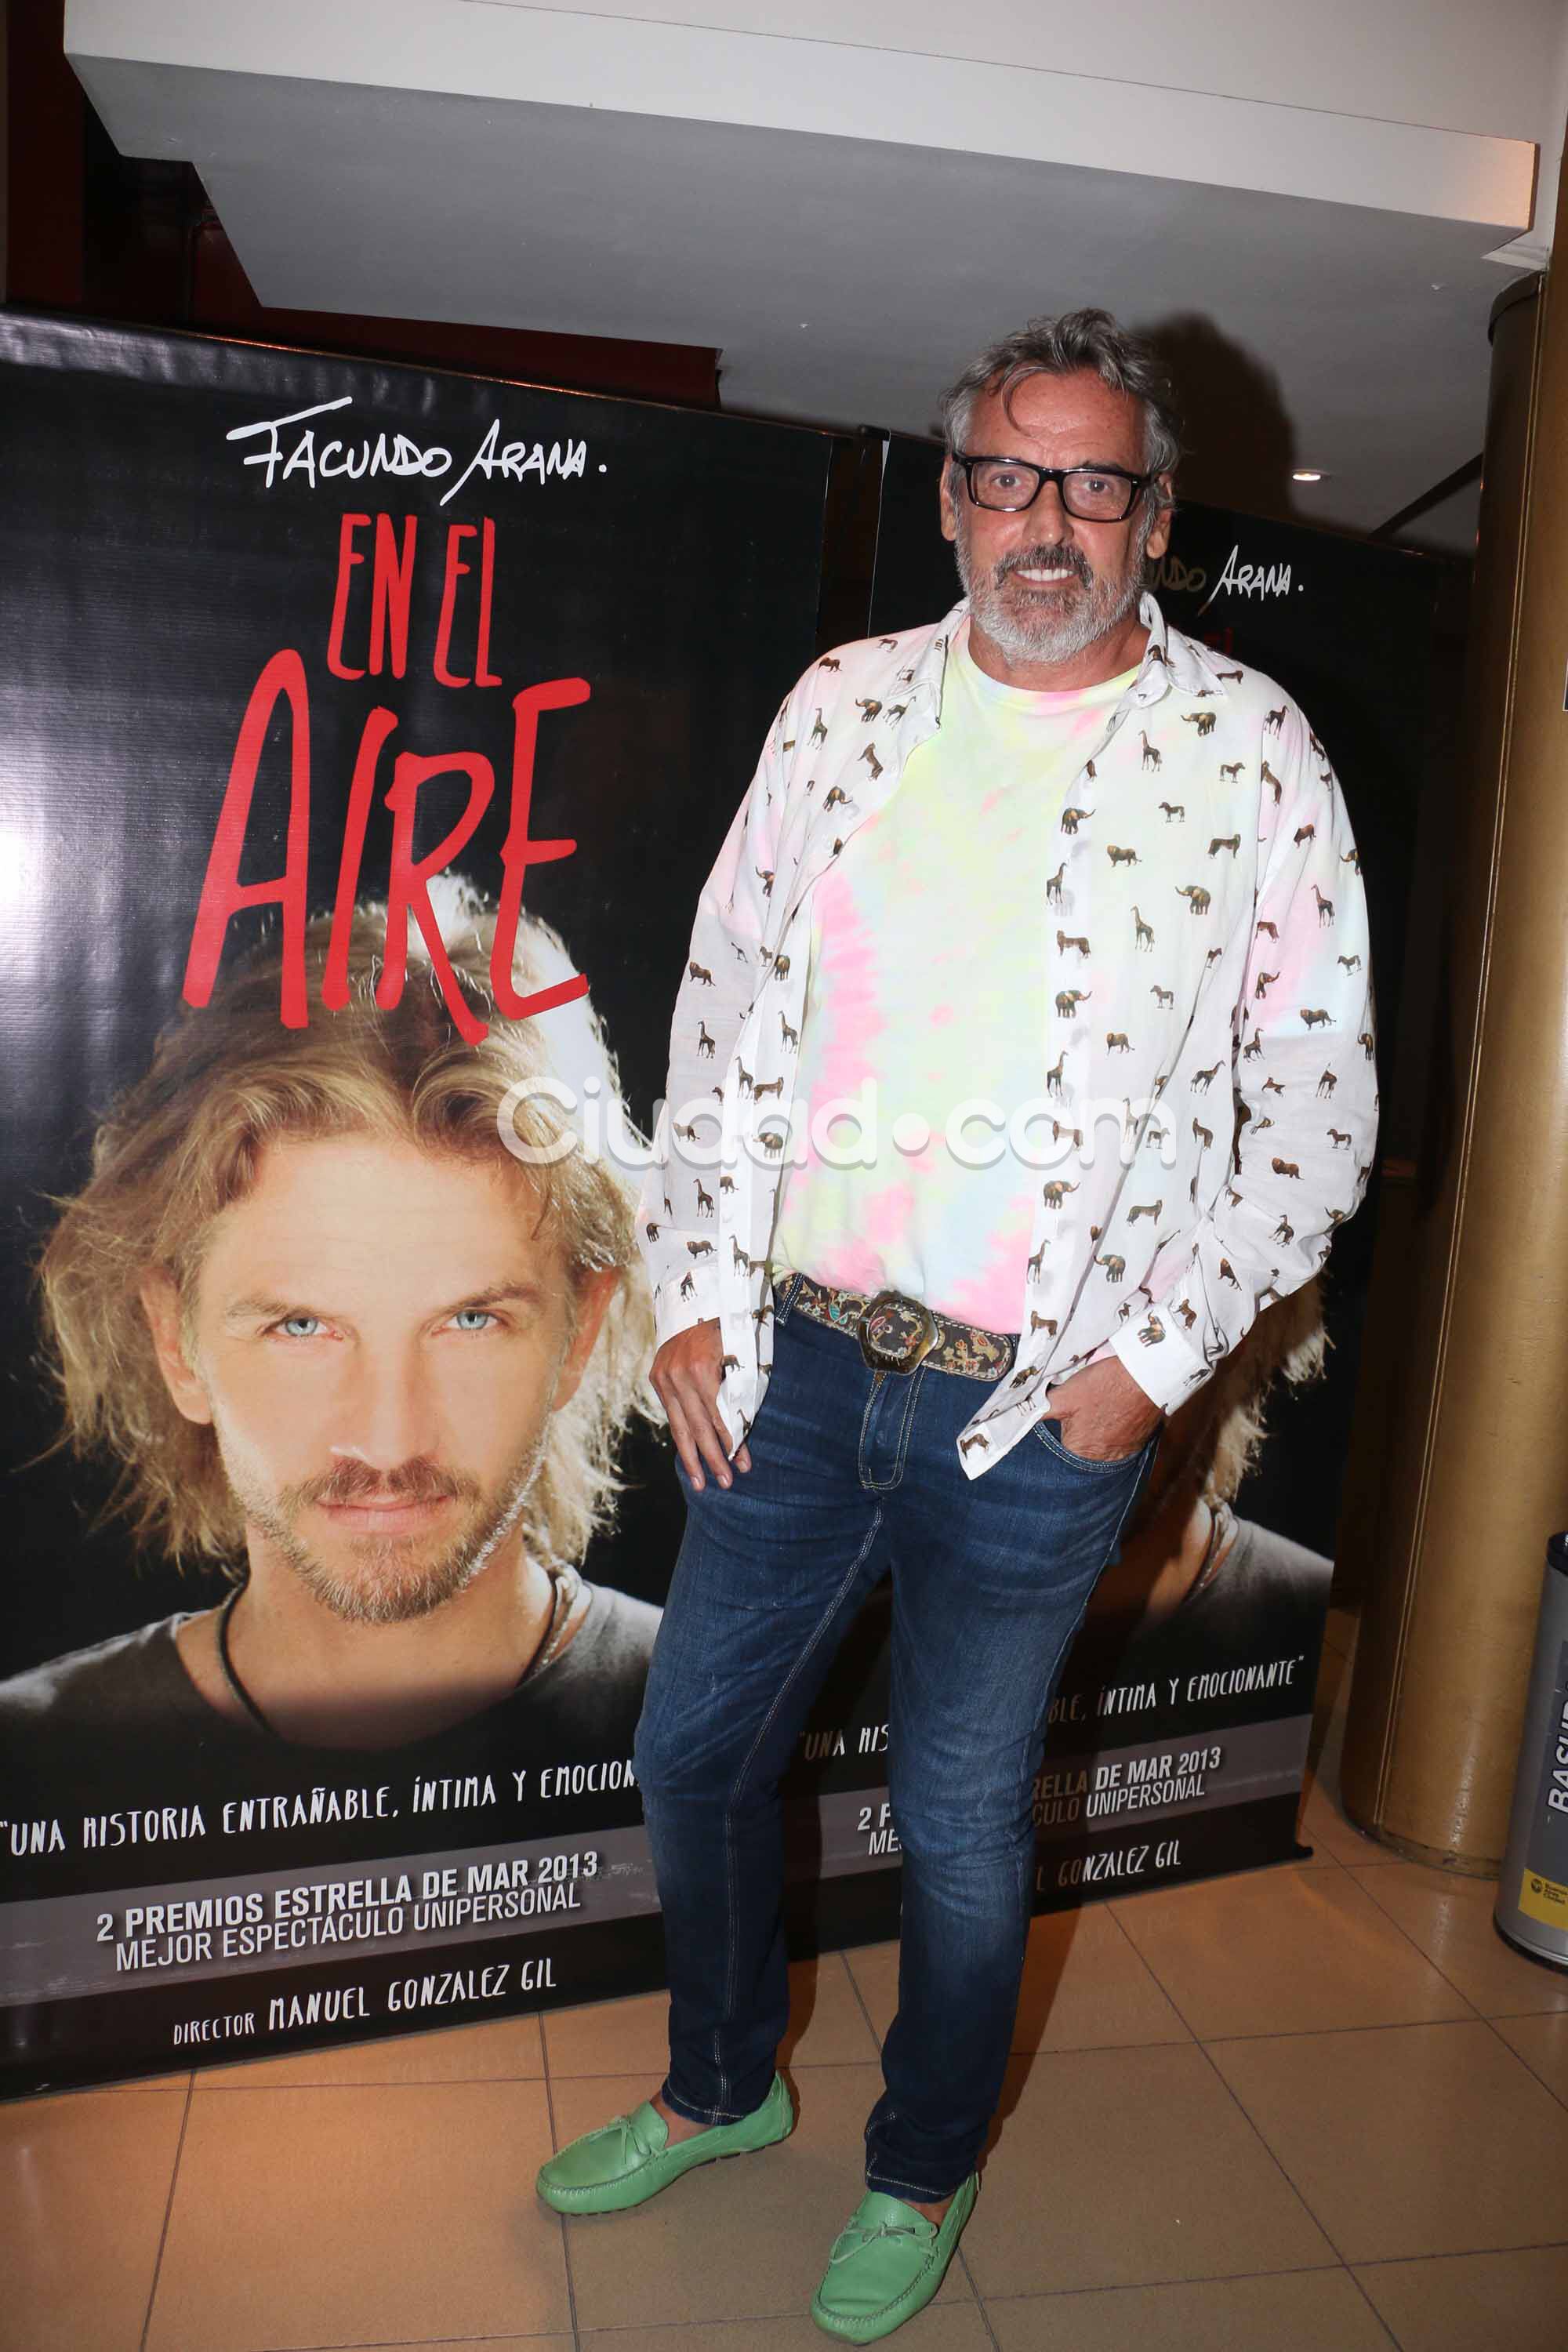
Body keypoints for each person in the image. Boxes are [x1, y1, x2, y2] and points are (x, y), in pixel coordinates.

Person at [536, 309, 1377, 2340]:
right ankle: (722, 2088)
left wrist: (1141, 1376)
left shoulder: (1249, 750)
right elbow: (727, 1015)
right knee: (692, 1757)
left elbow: (1321, 1105)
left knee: (965, 1832)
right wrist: (694, 1295)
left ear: (1156, 516)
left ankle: (918, 2166)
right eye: (1012, 474)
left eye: (1095, 482)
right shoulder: (838, 708)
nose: (1049, 521)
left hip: (1039, 1416)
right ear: (951, 495)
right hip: (798, 1368)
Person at [0, 892, 659, 1770]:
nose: (388, 1440)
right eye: (302, 1326)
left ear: (579, 1333)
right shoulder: (31, 1765)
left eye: (471, 1319)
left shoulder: (758, 1725)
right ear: (175, 1342)